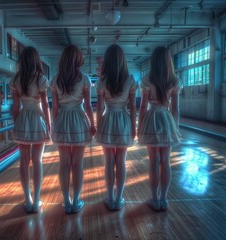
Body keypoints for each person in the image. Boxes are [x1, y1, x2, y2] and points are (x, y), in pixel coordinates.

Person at [50, 45, 96, 214]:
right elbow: (89, 107)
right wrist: (92, 124)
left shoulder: (55, 79)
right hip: (79, 120)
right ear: (78, 59)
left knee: (64, 163)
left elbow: (54, 107)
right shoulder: (84, 78)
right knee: (77, 163)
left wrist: (53, 125)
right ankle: (76, 201)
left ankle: (66, 201)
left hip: (62, 120)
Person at [137, 46, 181, 211]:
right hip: (167, 119)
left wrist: (140, 126)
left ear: (153, 61)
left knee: (154, 162)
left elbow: (142, 107)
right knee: (166, 162)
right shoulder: (175, 80)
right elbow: (176, 109)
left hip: (152, 118)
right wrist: (175, 128)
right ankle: (164, 199)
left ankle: (154, 199)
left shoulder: (147, 79)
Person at [95, 44, 137, 211]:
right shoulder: (130, 80)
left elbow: (98, 108)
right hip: (124, 121)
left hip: (108, 120)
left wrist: (98, 126)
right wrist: (133, 128)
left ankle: (110, 197)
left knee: (109, 161)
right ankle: (119, 198)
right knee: (121, 161)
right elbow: (133, 107)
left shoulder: (101, 82)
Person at [10, 46, 51, 213]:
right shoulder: (41, 79)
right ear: (36, 60)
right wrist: (49, 123)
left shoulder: (16, 80)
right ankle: (36, 200)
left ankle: (27, 199)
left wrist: (16, 123)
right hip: (38, 118)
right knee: (37, 161)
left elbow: (15, 106)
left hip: (23, 119)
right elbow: (46, 104)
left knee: (24, 162)